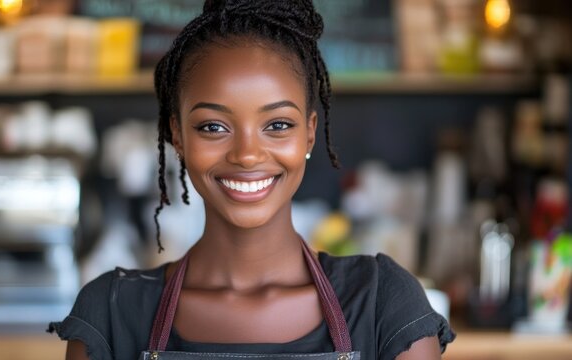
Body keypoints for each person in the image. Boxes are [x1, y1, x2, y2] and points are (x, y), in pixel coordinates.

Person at [48, 1, 456, 359]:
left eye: (277, 124)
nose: (246, 154)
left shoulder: (382, 303)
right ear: (178, 136)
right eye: (213, 127)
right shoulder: (111, 313)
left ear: (309, 134)